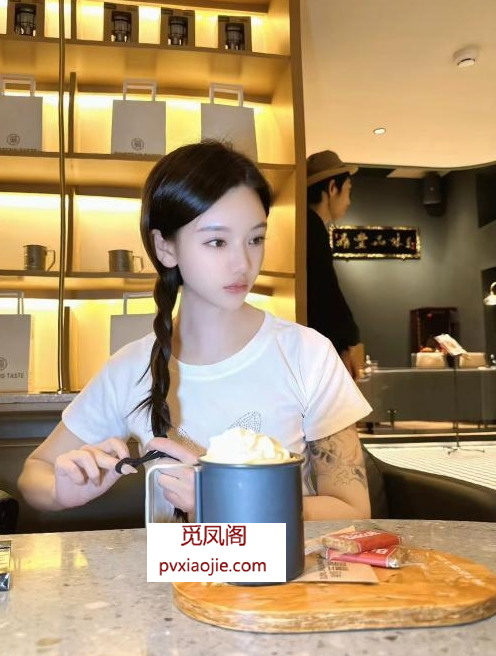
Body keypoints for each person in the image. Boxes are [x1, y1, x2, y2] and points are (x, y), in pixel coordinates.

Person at [18, 141, 372, 522]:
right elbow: (34, 473)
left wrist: (226, 500)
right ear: (165, 247)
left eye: (255, 238)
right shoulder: (131, 367)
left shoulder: (307, 354)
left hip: (282, 564)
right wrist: (62, 490)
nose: (243, 263)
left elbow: (353, 510)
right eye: (217, 241)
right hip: (172, 565)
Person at [306, 149, 361, 380]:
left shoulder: (306, 225)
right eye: (347, 190)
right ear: (332, 188)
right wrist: (344, 342)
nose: (349, 201)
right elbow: (326, 294)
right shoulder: (312, 228)